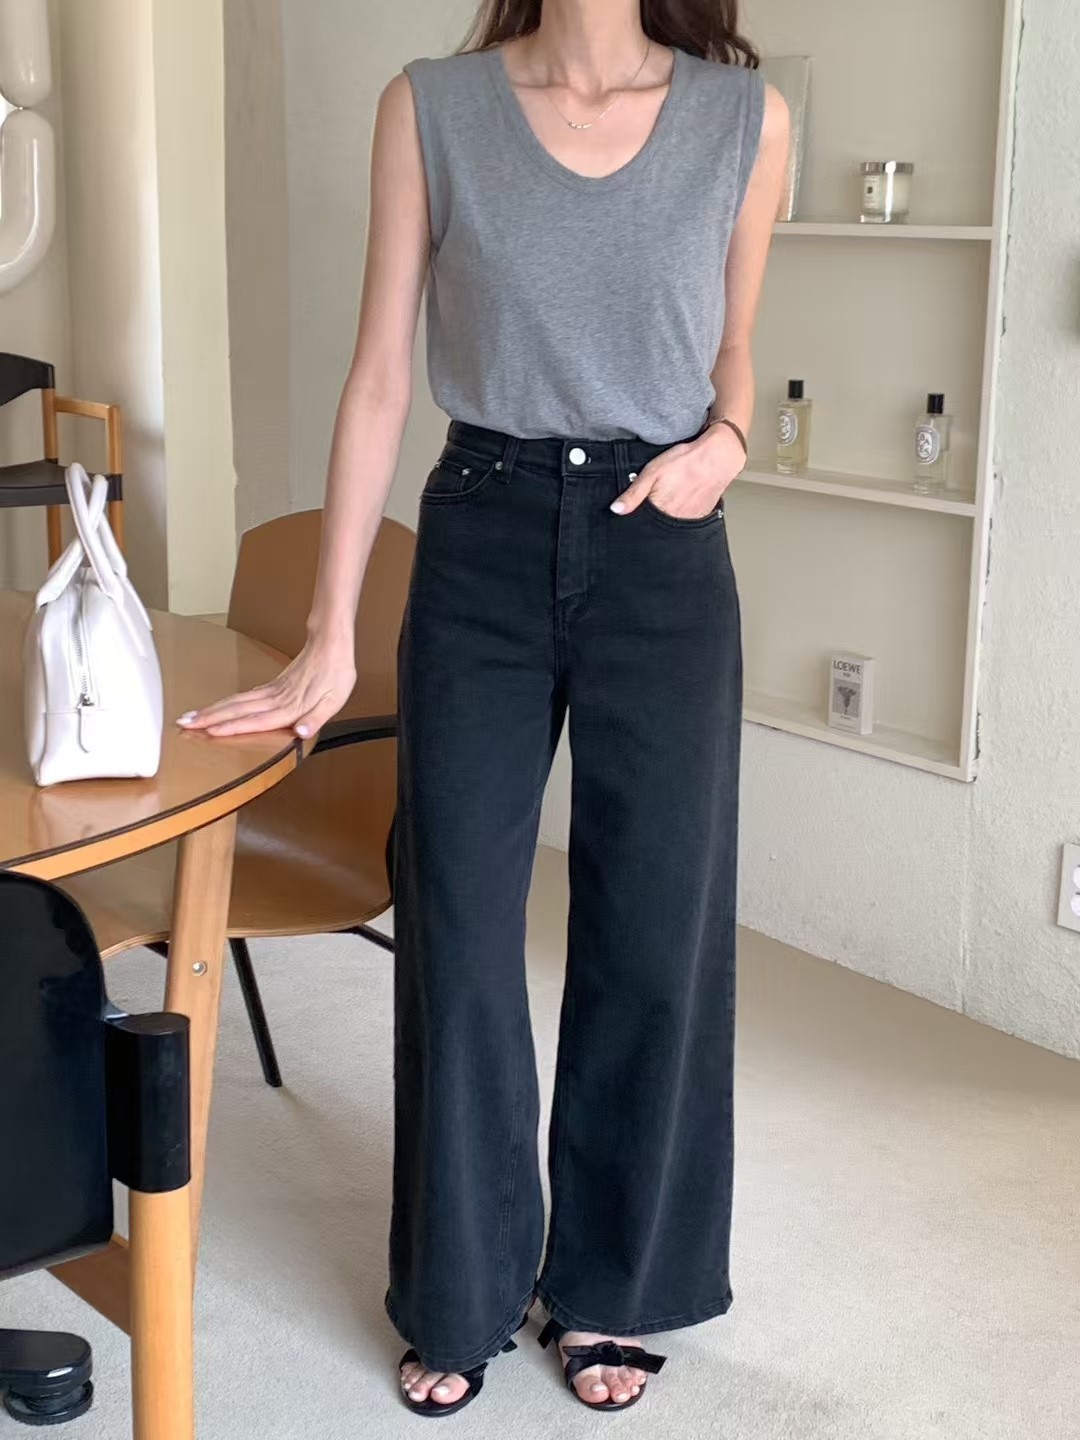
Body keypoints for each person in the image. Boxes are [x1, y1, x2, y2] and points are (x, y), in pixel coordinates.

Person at [178, 0, 789, 1417]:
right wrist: (330, 629)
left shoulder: (742, 121)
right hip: (484, 531)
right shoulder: (431, 107)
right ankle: (460, 1287)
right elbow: (380, 376)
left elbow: (737, 354)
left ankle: (614, 1284)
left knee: (656, 925)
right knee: (454, 920)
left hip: (663, 550)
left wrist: (729, 445)